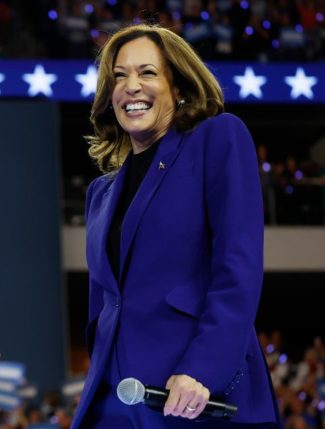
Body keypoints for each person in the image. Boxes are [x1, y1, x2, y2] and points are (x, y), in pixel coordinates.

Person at [72, 24, 279, 428]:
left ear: (178, 87)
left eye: (147, 72)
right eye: (119, 76)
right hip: (115, 403)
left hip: (194, 395)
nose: (131, 86)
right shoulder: (100, 193)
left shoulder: (217, 139)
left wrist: (204, 369)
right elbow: (104, 307)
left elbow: (238, 267)